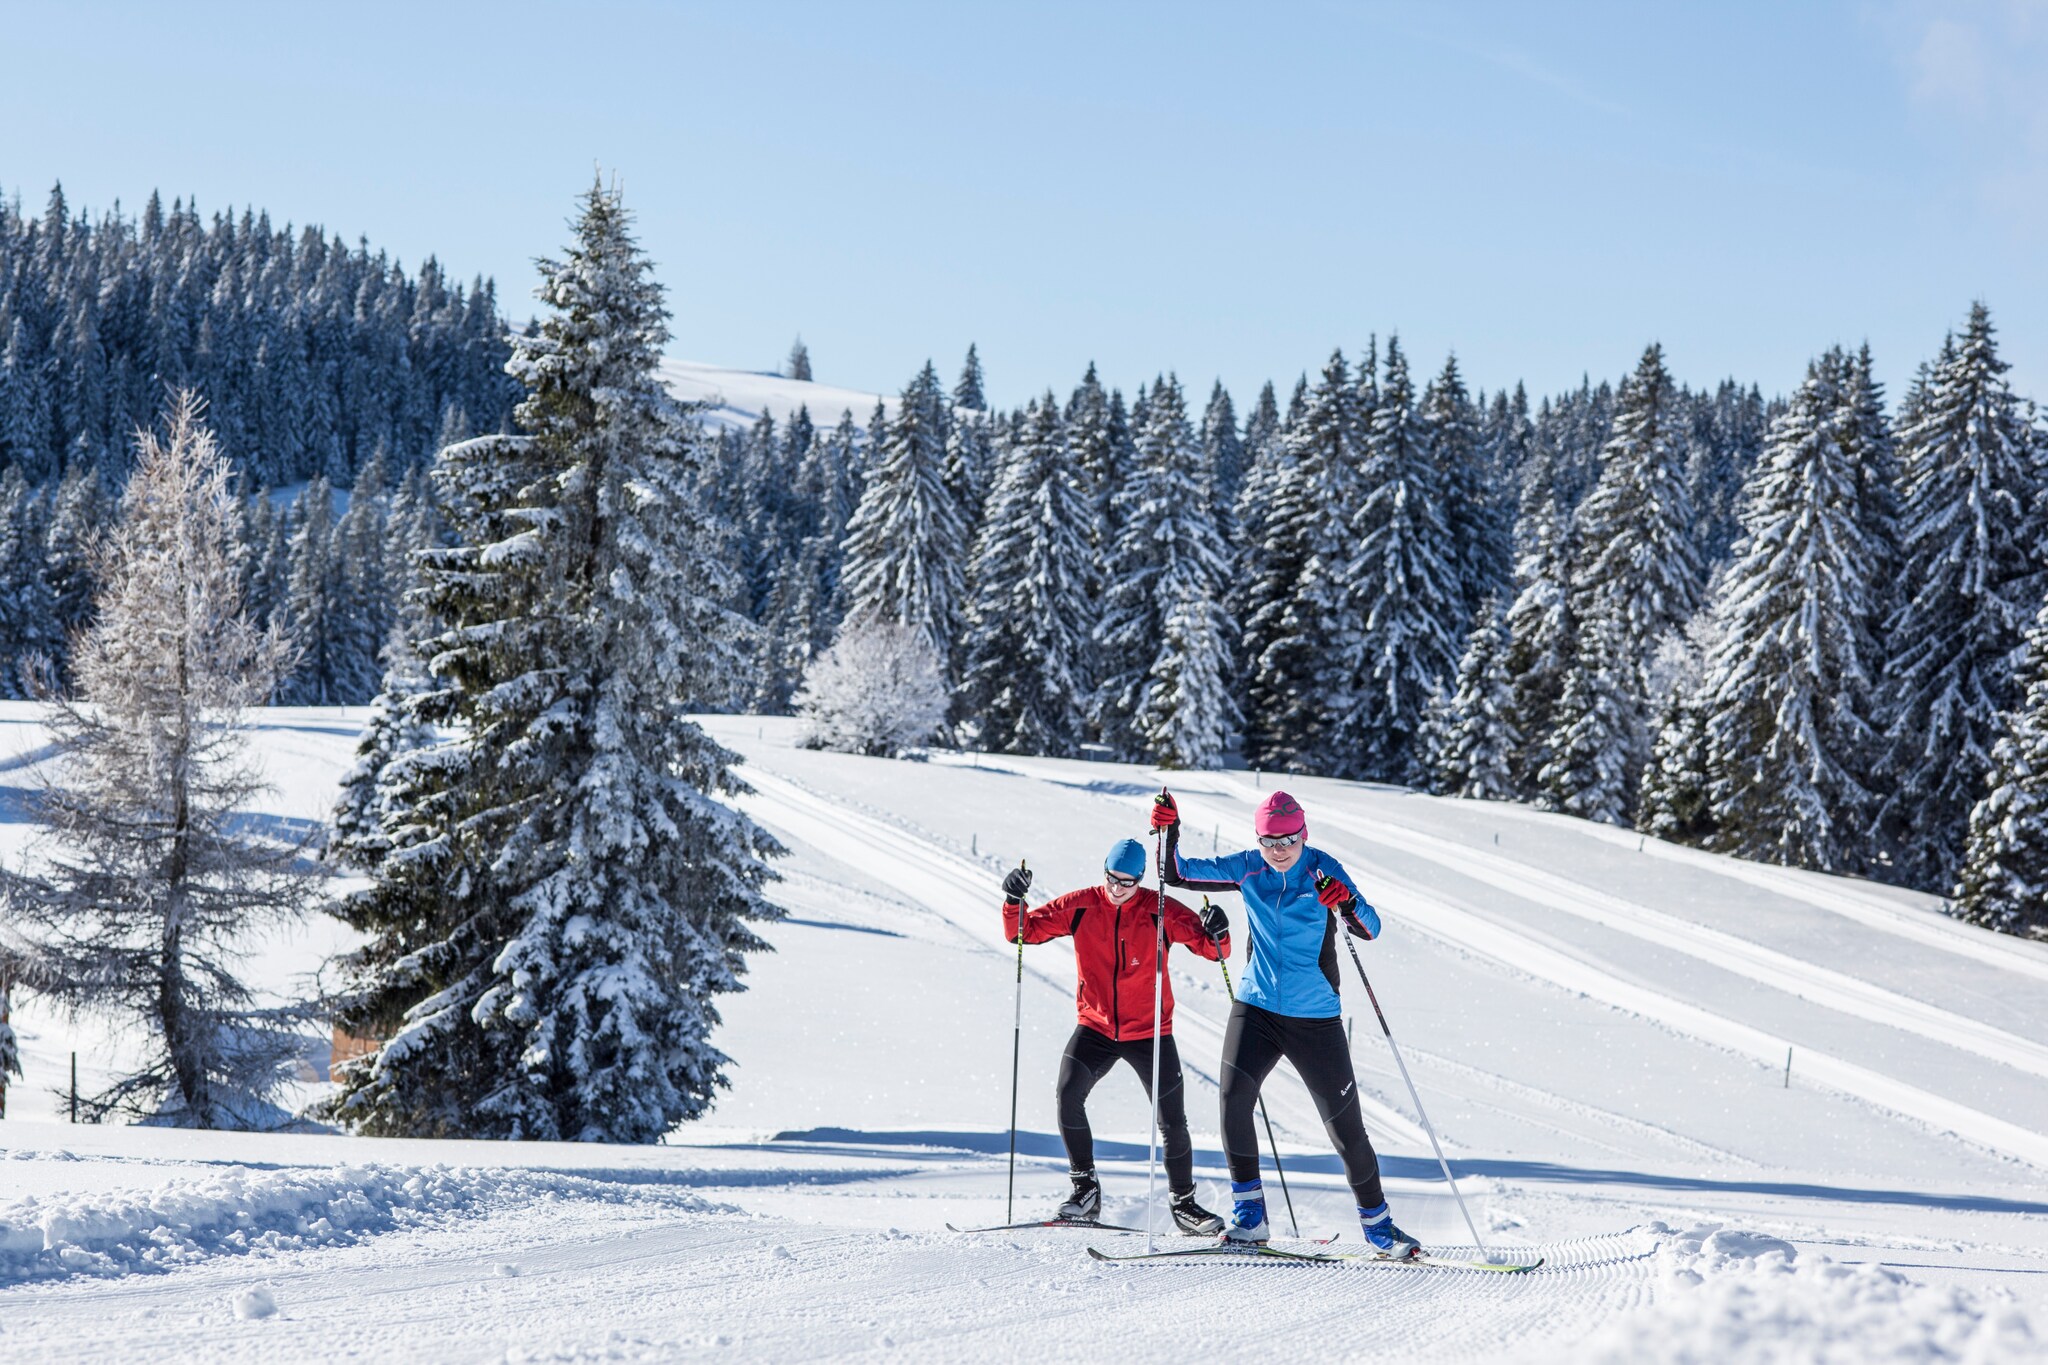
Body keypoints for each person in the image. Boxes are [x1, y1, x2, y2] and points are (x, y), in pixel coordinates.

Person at [1152, 787, 1423, 1259]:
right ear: (1258, 840)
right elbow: (1175, 873)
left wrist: (1346, 904)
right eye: (1269, 842)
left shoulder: (1323, 869)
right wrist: (1168, 830)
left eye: (1288, 841)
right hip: (1256, 1006)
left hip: (1314, 1016)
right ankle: (1250, 1218)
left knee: (1345, 1129)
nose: (1279, 851)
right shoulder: (1248, 868)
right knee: (1233, 1100)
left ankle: (1380, 1228)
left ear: (1303, 836)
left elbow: (1371, 927)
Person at [1001, 838, 1231, 1234]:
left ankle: (1184, 1205)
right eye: (1112, 878)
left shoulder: (1159, 911)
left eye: (1128, 882)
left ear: (1140, 880)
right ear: (1103, 870)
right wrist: (1012, 899)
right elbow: (1023, 933)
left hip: (1150, 1032)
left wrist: (1218, 930)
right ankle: (1085, 1190)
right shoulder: (1081, 905)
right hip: (1096, 1027)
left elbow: (1214, 951)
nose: (1118, 888)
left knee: (1172, 1120)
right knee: (1068, 1094)